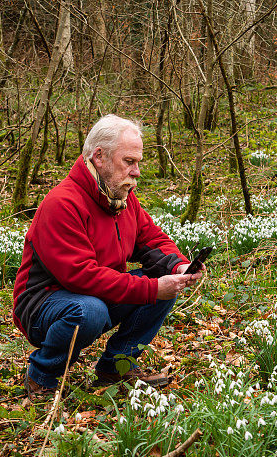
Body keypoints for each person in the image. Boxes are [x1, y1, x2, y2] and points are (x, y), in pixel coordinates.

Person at [12, 114, 204, 402]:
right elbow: (82, 276)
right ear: (99, 157)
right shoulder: (62, 203)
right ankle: (41, 376)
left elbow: (151, 240)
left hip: (95, 295)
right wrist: (152, 289)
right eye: (129, 161)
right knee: (90, 311)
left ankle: (116, 367)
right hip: (44, 305)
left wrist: (180, 266)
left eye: (138, 162)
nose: (137, 171)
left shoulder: (121, 198)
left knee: (166, 283)